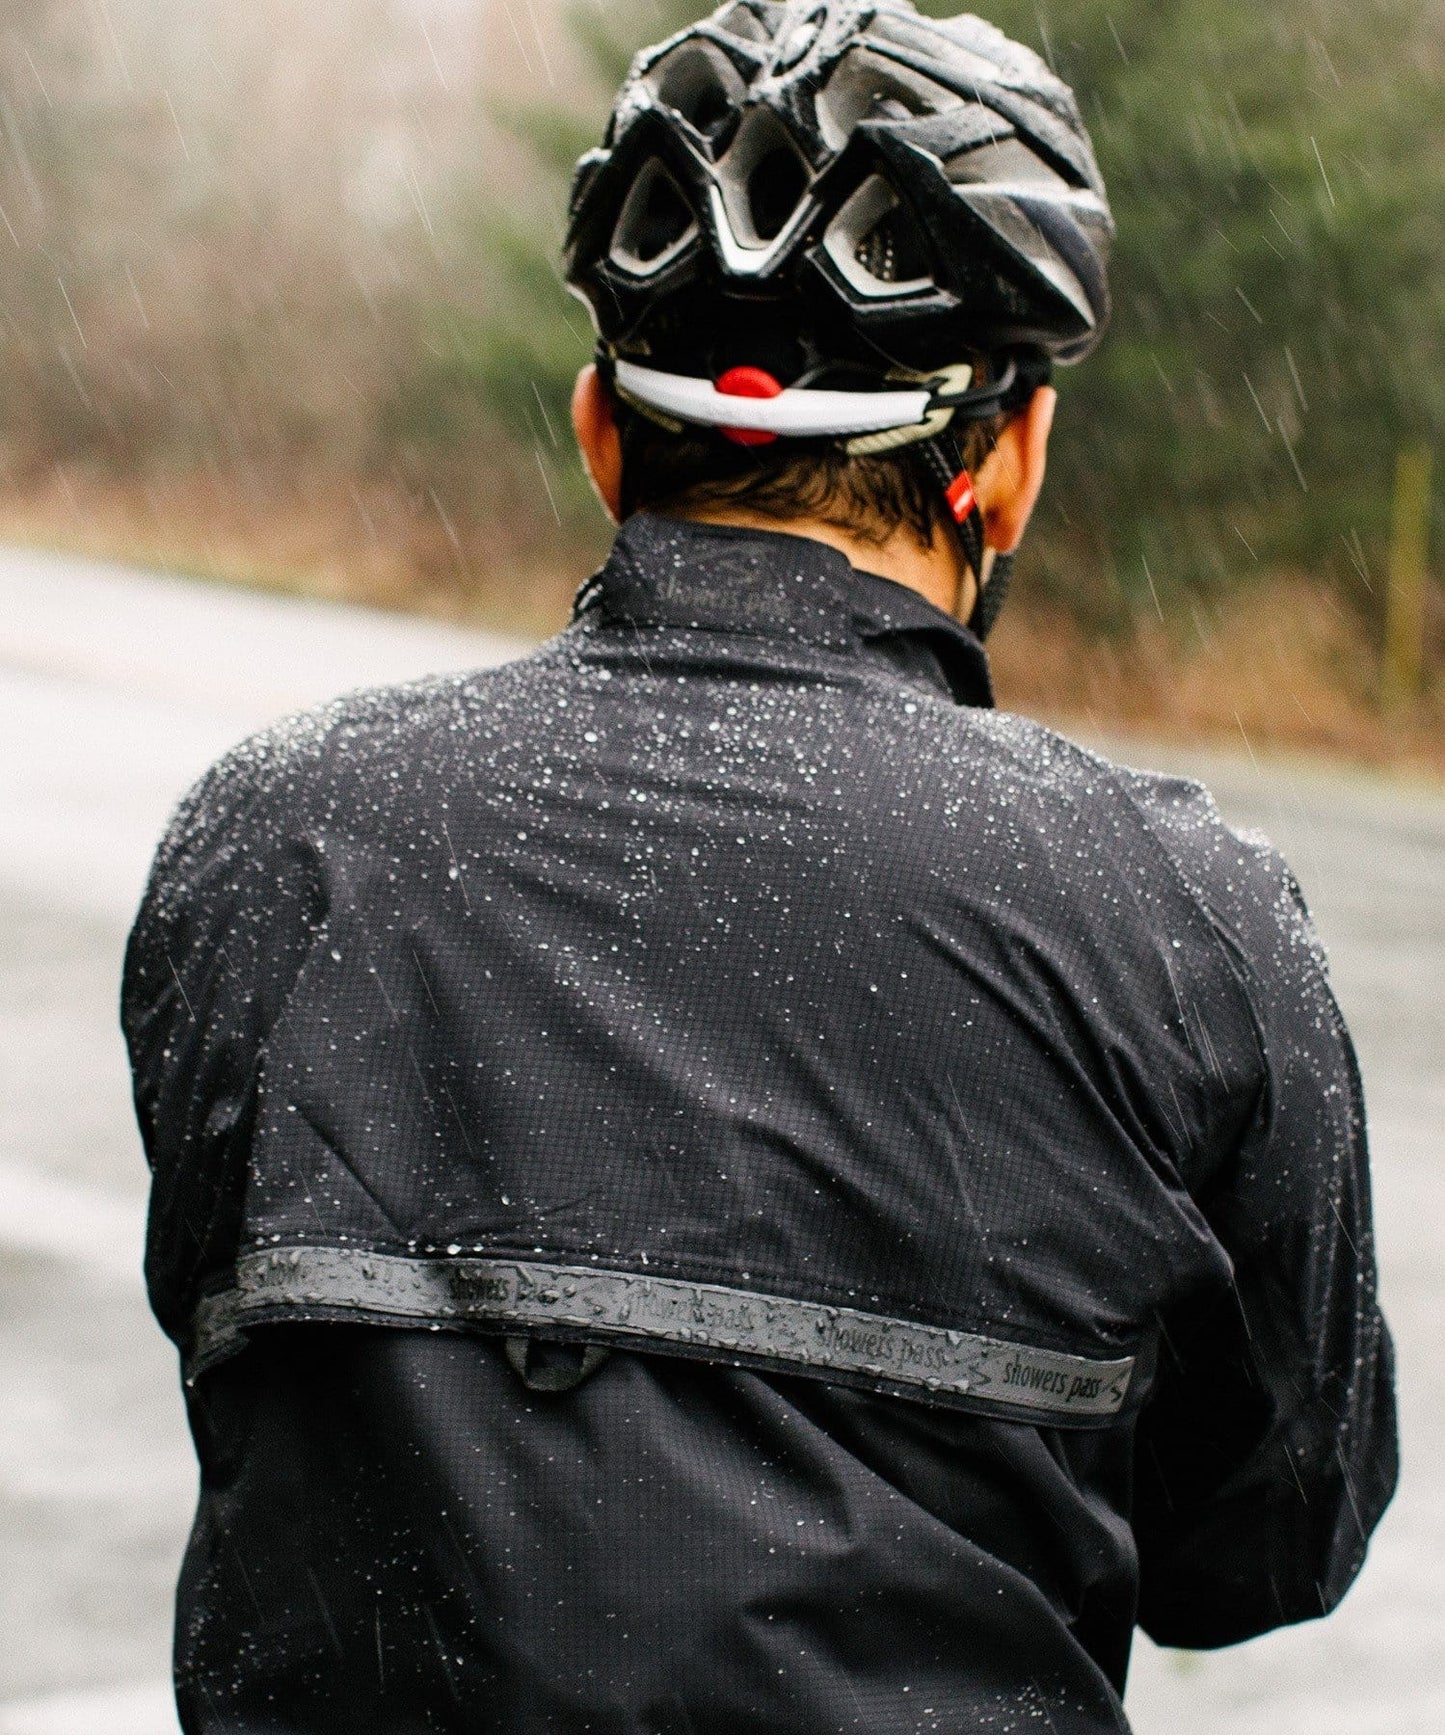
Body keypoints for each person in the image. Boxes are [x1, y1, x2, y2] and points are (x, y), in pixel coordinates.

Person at [122, 3, 1397, 1730]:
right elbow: (1260, 1548)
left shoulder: (273, 836)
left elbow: (255, 1385)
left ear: (596, 431)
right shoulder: (1190, 917)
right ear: (1010, 467)